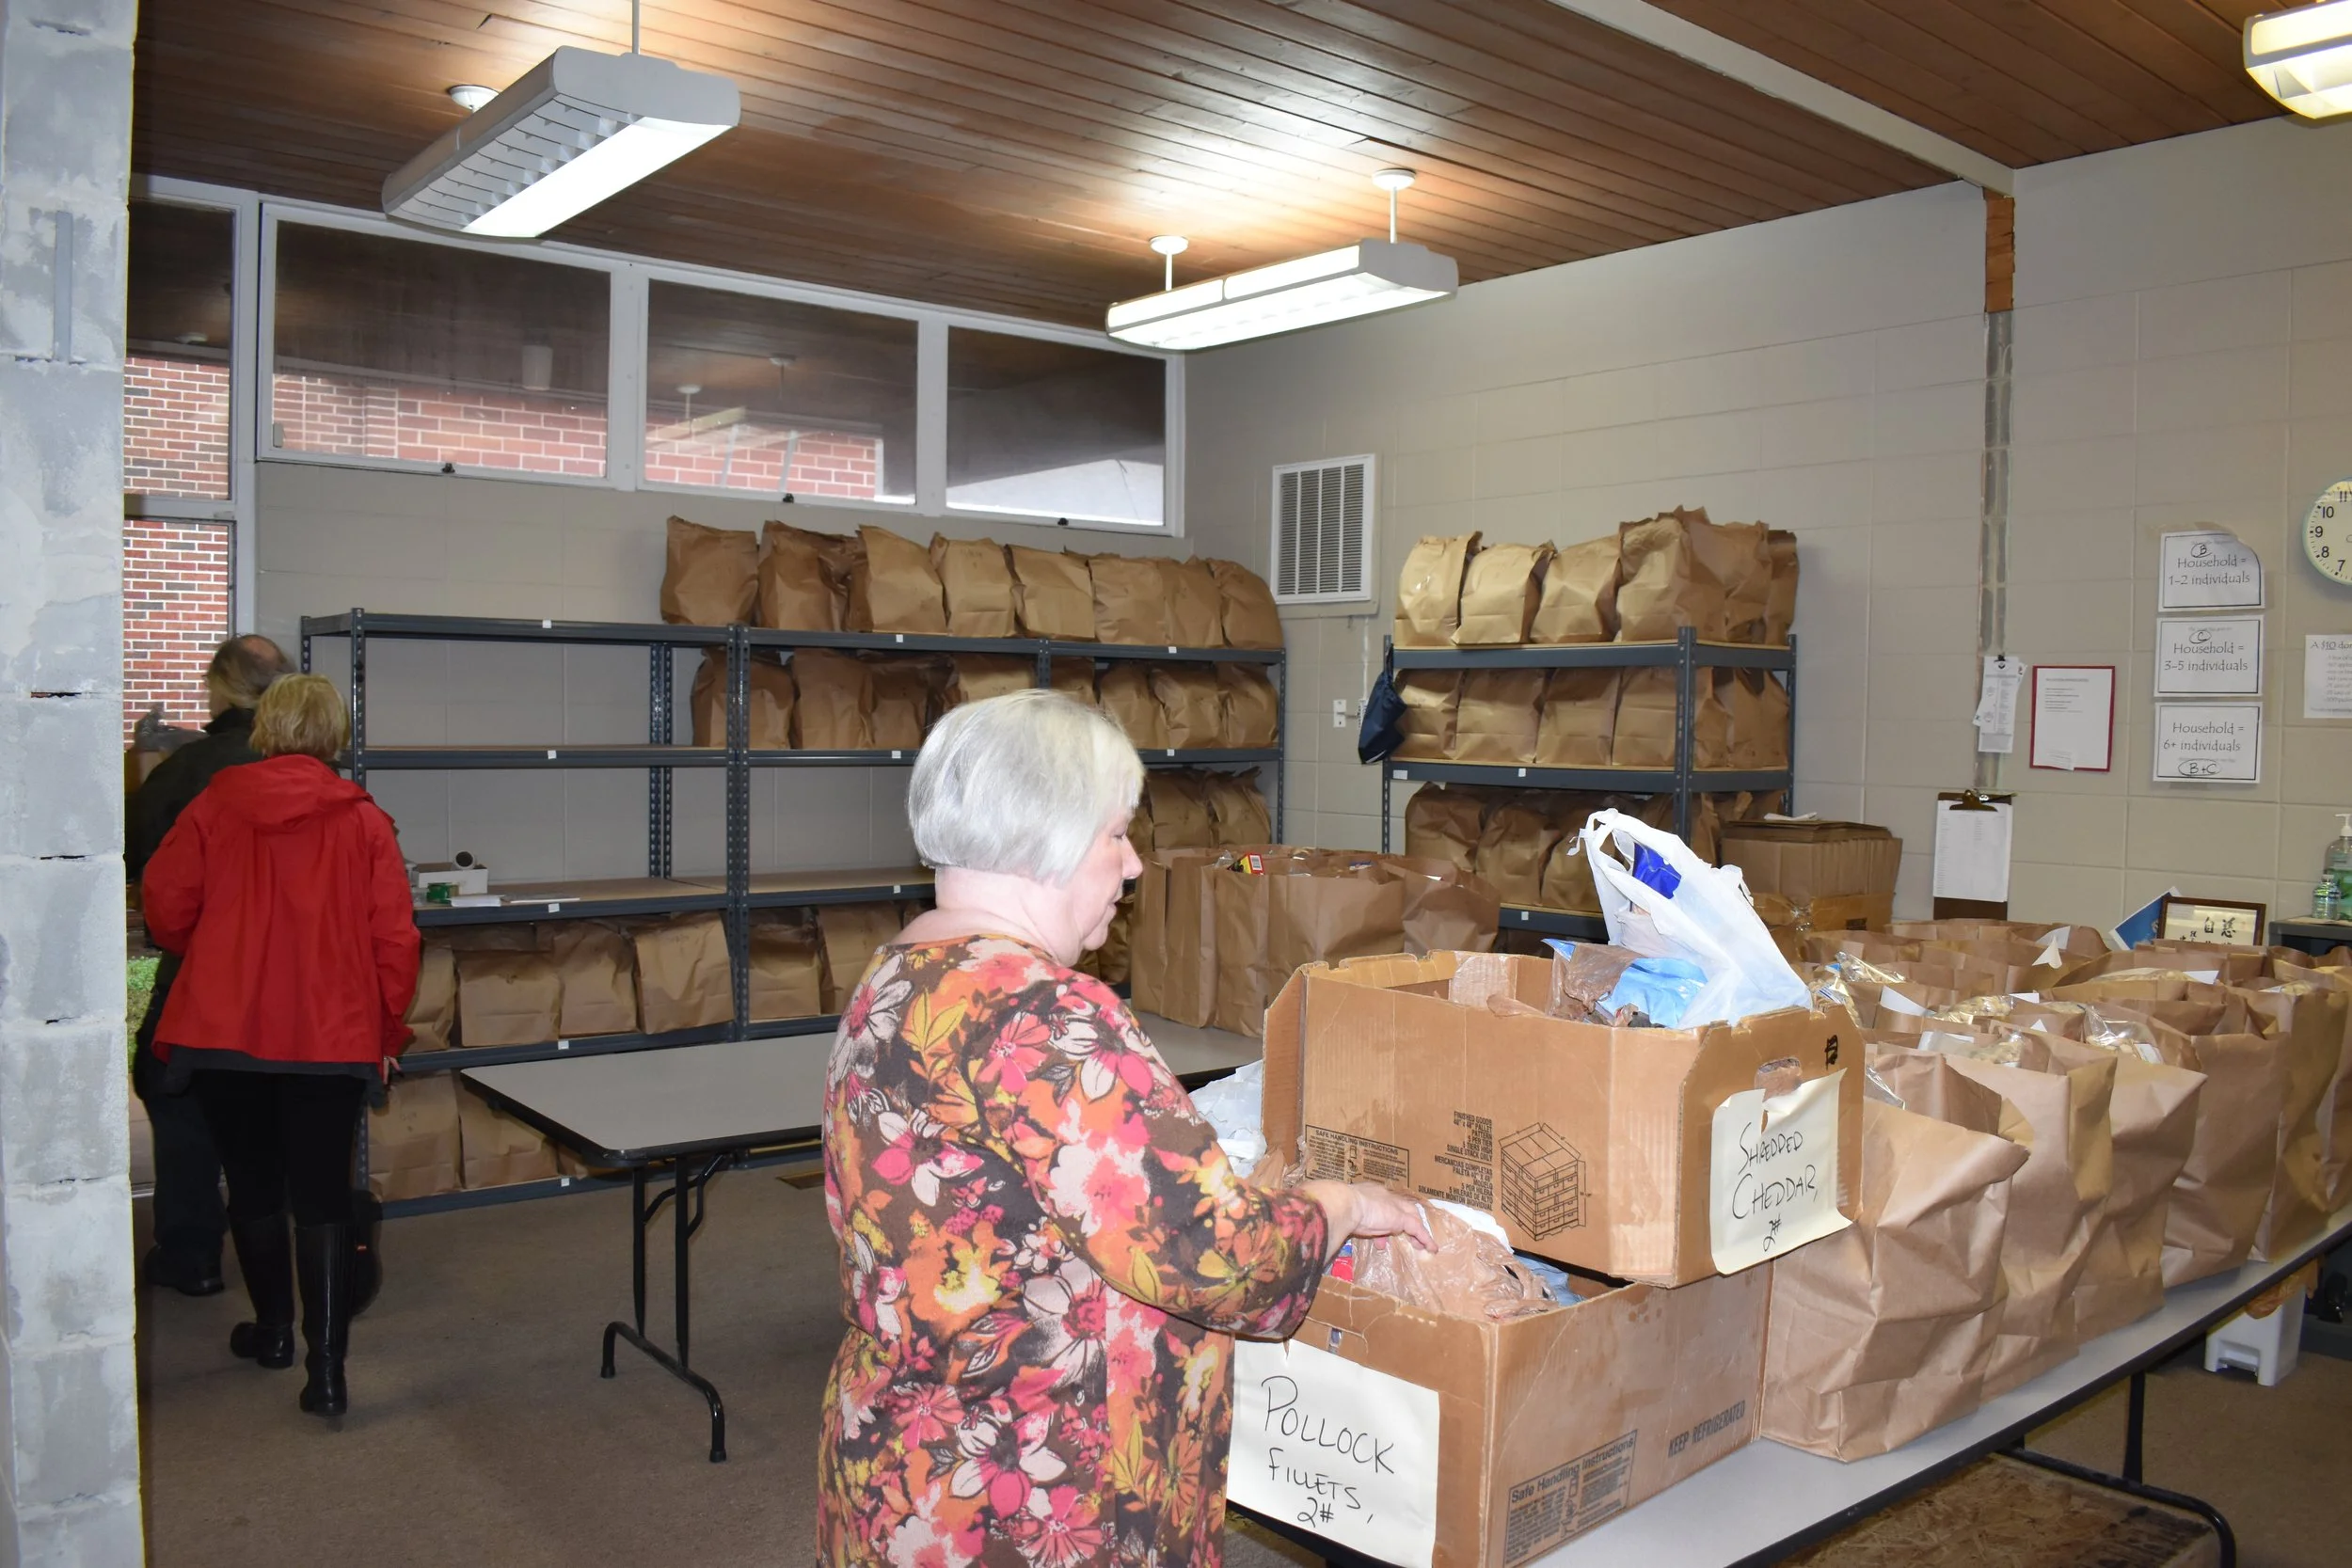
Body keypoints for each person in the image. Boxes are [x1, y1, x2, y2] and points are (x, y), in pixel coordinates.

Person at [817, 689, 1428, 1566]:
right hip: (1033, 1500)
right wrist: (1340, 1203)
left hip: (900, 1467)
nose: (1133, 864)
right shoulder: (1045, 1015)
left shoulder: (896, 974)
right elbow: (1220, 1259)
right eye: (1114, 834)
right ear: (1049, 837)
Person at [140, 673, 420, 1421]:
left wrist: (216, 937)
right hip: (329, 1035)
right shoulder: (364, 820)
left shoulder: (214, 803)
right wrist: (386, 1033)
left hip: (224, 1031)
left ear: (266, 726)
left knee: (253, 1184)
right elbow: (395, 939)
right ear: (335, 734)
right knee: (323, 1195)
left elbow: (165, 908)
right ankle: (326, 1373)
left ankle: (270, 1335)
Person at [127, 633, 295, 1297]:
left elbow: (150, 875)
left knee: (175, 1095)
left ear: (220, 688)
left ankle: (193, 1252)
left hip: (202, 975)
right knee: (281, 1115)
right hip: (291, 981)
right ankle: (282, 1263)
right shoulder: (314, 771)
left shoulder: (186, 774)